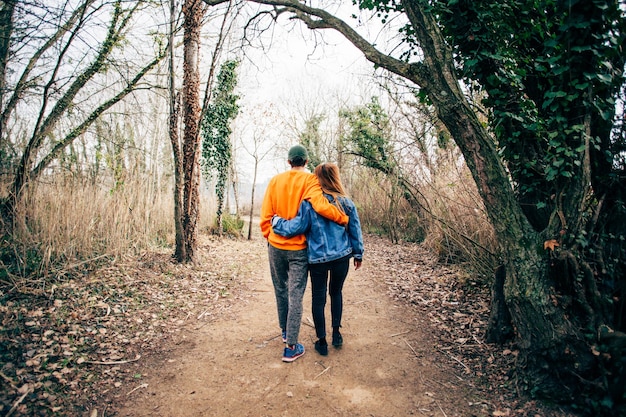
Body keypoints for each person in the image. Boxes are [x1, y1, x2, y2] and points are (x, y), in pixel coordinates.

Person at [260, 146, 349, 363]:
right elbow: (319, 205)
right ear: (306, 161)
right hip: (298, 249)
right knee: (295, 295)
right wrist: (342, 218)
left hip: (276, 246)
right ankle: (291, 346)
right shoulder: (310, 180)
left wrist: (270, 237)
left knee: (280, 290)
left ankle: (285, 332)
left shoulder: (275, 181)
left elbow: (266, 216)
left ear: (289, 161)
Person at [271, 162, 364, 356]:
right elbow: (355, 228)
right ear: (335, 177)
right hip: (341, 258)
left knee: (318, 299)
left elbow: (296, 227)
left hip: (317, 260)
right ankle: (337, 334)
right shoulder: (345, 202)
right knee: (336, 293)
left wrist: (276, 222)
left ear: (318, 178)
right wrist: (358, 253)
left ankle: (321, 341)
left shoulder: (310, 203)